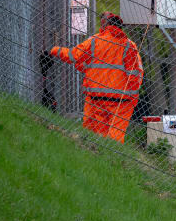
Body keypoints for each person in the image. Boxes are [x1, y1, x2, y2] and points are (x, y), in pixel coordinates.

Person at [49, 11, 143, 143]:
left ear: (104, 24)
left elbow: (74, 56)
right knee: (115, 137)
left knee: (95, 136)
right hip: (121, 100)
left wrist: (54, 50)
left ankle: (95, 157)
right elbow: (135, 73)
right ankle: (113, 160)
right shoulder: (129, 45)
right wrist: (132, 97)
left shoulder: (94, 41)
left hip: (96, 97)